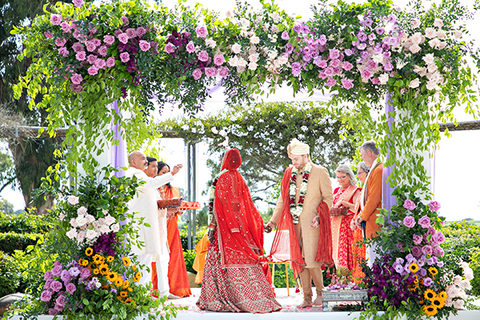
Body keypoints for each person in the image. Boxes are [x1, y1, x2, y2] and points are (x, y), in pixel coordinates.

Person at [197, 148, 281, 313]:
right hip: (240, 226)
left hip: (224, 227)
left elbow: (216, 205)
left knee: (219, 257)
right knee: (245, 255)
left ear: (225, 160)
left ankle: (221, 297)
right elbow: (246, 205)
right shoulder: (240, 178)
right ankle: (257, 297)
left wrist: (212, 227)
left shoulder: (220, 178)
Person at [265, 139, 333, 309]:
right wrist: (272, 222)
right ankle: (307, 297)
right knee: (299, 261)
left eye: (296, 159)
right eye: (292, 159)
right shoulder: (289, 173)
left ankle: (321, 293)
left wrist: (319, 216)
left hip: (312, 224)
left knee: (311, 260)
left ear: (305, 156)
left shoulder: (319, 171)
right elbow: (282, 200)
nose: (293, 162)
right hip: (294, 224)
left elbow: (328, 198)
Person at [124, 151, 182, 286]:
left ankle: (143, 295)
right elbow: (152, 182)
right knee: (142, 261)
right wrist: (172, 173)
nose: (145, 161)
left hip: (143, 224)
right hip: (142, 225)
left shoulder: (136, 175)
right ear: (133, 162)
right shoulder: (135, 173)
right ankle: (141, 296)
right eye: (142, 158)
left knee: (144, 260)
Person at [144, 157, 180, 300]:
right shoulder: (147, 185)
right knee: (147, 261)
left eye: (154, 167)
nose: (154, 169)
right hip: (151, 229)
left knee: (163, 259)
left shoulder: (154, 187)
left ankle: (165, 292)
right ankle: (145, 294)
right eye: (152, 167)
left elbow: (157, 207)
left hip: (160, 228)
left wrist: (170, 211)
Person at [157, 162, 192, 298]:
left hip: (172, 226)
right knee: (159, 257)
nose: (165, 175)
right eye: (162, 172)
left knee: (174, 257)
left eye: (167, 172)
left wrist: (180, 211)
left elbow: (177, 208)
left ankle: (175, 289)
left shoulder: (176, 189)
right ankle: (158, 288)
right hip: (160, 224)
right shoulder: (155, 189)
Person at [353, 141, 383, 267]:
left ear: (369, 152)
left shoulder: (379, 170)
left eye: (362, 154)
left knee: (376, 259)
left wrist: (362, 217)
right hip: (370, 222)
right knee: (371, 257)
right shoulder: (374, 170)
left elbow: (374, 198)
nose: (361, 158)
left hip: (375, 222)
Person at [331, 165, 361, 270]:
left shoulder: (355, 190)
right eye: (338, 177)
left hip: (349, 227)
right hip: (336, 226)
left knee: (350, 253)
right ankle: (341, 280)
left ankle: (352, 280)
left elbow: (358, 209)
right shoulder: (336, 191)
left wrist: (344, 203)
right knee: (337, 252)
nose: (340, 180)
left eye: (342, 177)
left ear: (349, 176)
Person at [350, 162, 369, 283]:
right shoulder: (363, 189)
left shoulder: (368, 188)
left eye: (360, 173)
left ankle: (362, 282)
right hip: (358, 227)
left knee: (363, 257)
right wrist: (353, 219)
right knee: (358, 256)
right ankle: (358, 282)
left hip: (365, 227)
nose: (358, 176)